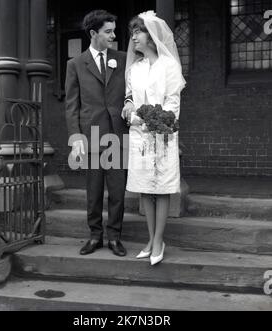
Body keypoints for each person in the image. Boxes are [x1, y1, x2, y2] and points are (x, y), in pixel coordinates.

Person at [122, 11, 186, 265]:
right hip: (139, 137)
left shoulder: (169, 66)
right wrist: (128, 108)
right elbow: (129, 98)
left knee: (161, 187)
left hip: (163, 133)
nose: (134, 38)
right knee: (145, 189)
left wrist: (154, 120)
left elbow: (173, 102)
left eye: (138, 32)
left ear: (152, 35)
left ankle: (159, 239)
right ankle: (150, 239)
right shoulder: (134, 69)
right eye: (132, 33)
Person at [65, 10, 129, 257]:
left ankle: (114, 237)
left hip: (116, 134)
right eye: (108, 32)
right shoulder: (75, 64)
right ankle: (95, 236)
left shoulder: (123, 59)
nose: (113, 36)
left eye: (114, 30)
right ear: (93, 33)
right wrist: (75, 138)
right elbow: (72, 105)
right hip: (90, 134)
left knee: (117, 190)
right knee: (93, 191)